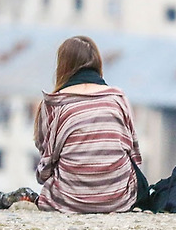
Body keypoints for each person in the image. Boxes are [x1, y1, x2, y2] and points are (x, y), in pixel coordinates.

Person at [34, 35, 143, 212]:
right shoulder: (118, 98)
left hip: (68, 200)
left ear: (63, 65)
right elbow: (135, 156)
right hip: (119, 199)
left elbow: (46, 162)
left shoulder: (54, 103)